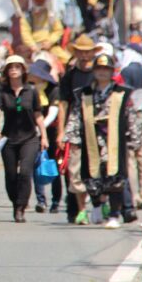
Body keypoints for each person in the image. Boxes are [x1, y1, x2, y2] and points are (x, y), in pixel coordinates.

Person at [64, 53, 142, 229]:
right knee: (92, 175)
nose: (102, 72)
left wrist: (135, 139)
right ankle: (98, 206)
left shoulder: (122, 92)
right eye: (99, 68)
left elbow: (131, 116)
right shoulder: (84, 93)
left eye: (106, 69)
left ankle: (115, 213)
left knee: (115, 176)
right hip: (92, 137)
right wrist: (71, 137)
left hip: (114, 138)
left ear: (112, 71)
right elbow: (76, 115)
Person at [0, 56, 48, 222]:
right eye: (11, 67)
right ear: (6, 71)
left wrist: (44, 136)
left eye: (17, 67)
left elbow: (38, 114)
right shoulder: (2, 91)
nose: (14, 70)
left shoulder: (31, 90)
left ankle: (21, 207)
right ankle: (15, 202)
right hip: (9, 139)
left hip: (29, 138)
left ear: (23, 70)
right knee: (11, 175)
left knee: (24, 172)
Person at [56, 34, 97, 222]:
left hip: (97, 125)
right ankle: (81, 209)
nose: (84, 55)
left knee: (97, 168)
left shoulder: (99, 73)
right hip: (75, 124)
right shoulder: (70, 76)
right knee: (74, 169)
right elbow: (63, 104)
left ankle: (98, 206)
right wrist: (61, 131)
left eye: (87, 52)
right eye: (81, 52)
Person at [28, 59, 62, 213]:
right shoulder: (30, 89)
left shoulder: (53, 90)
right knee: (36, 165)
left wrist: (41, 128)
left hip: (52, 132)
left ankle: (56, 200)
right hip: (33, 132)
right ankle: (41, 200)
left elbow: (53, 112)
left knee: (54, 166)